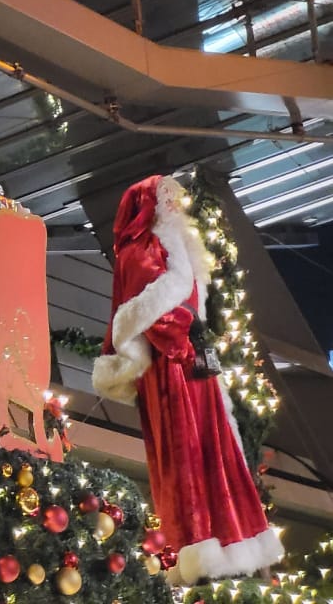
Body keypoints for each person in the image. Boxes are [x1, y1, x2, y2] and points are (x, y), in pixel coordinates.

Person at [93, 174, 282, 584]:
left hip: (193, 365)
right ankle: (196, 545)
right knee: (187, 459)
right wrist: (185, 340)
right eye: (169, 199)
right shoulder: (140, 250)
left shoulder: (172, 245)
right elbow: (148, 312)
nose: (178, 206)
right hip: (173, 367)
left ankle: (226, 541)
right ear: (151, 205)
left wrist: (195, 341)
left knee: (213, 453)